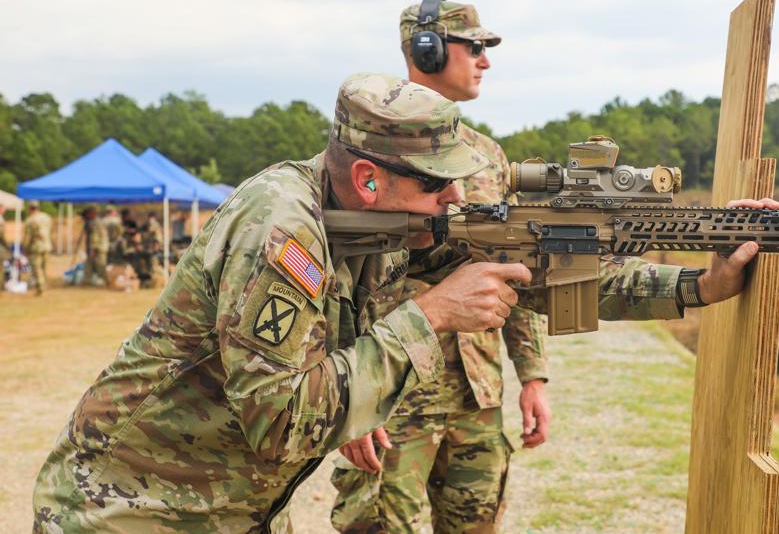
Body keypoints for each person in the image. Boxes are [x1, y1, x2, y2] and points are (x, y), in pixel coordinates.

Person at [32, 72, 533, 533]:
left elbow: (499, 262)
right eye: (434, 181)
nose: (454, 195)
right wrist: (431, 315)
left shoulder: (384, 222)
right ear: (368, 180)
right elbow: (278, 421)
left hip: (227, 508)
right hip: (132, 510)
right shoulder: (280, 223)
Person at [331, 0, 550, 534]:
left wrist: (533, 375)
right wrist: (348, 401)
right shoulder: (370, 150)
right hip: (394, 397)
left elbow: (513, 261)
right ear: (426, 51)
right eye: (474, 46)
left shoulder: (489, 158)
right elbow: (339, 282)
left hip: (476, 393)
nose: (485, 60)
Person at [22, 201, 53, 295]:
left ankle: (40, 286)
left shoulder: (30, 220)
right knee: (44, 267)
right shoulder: (46, 217)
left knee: (37, 267)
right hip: (47, 245)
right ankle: (44, 284)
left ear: (30, 209)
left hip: (36, 247)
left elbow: (28, 236)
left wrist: (25, 248)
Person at [77, 207, 108, 286]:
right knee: (89, 264)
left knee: (100, 264)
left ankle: (105, 280)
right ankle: (87, 280)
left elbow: (94, 237)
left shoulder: (94, 223)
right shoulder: (95, 221)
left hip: (98, 247)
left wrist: (92, 249)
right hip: (99, 246)